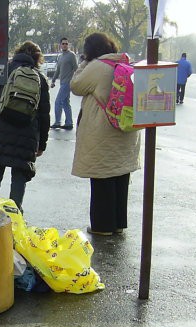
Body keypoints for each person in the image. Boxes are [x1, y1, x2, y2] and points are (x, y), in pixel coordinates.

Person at [70, 32, 141, 236]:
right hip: (126, 130)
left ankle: (102, 226)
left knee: (102, 178)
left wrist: (84, 62)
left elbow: (76, 86)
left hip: (103, 130)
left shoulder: (97, 66)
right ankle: (118, 222)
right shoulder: (125, 63)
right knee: (120, 176)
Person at [0, 41, 50, 211]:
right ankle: (14, 218)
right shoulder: (40, 79)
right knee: (19, 177)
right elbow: (44, 116)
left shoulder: (3, 71)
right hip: (27, 135)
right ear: (37, 58)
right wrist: (41, 145)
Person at [50, 37, 78, 130]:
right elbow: (57, 70)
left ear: (68, 45)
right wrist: (53, 80)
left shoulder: (71, 55)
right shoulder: (60, 56)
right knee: (66, 102)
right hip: (62, 82)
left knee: (58, 101)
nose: (65, 45)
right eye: (63, 43)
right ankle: (69, 123)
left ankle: (57, 122)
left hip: (67, 83)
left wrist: (74, 80)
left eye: (66, 43)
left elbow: (76, 69)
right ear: (60, 45)